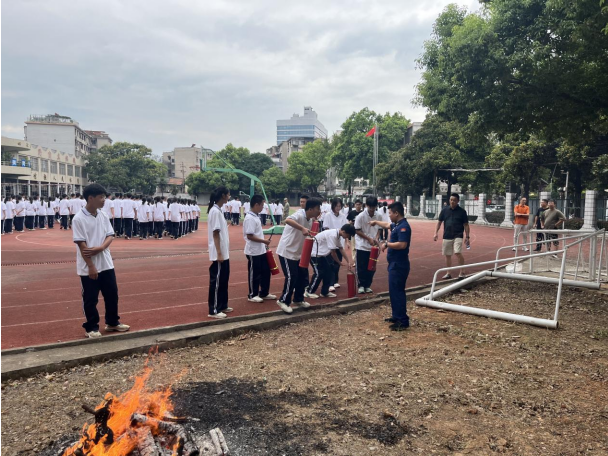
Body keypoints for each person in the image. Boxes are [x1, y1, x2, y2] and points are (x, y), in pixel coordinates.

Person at [72, 183, 130, 338]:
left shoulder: (103, 214)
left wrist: (101, 248)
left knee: (112, 294)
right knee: (90, 298)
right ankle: (91, 327)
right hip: (89, 266)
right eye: (101, 197)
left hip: (106, 263)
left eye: (104, 197)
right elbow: (81, 244)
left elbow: (110, 235)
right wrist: (90, 266)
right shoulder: (78, 219)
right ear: (91, 198)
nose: (104, 200)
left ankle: (112, 322)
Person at [370, 201, 411, 331]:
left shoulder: (404, 227)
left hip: (399, 264)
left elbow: (402, 244)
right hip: (394, 263)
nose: (389, 216)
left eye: (390, 213)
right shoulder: (397, 225)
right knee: (393, 291)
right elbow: (387, 224)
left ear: (396, 213)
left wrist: (387, 244)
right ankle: (396, 315)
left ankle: (402, 320)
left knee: (398, 291)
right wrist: (376, 222)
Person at [276, 198, 321, 313]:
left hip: (298, 253)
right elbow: (287, 220)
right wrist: (302, 228)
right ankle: (283, 300)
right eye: (317, 208)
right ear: (310, 209)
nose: (319, 211)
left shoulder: (310, 220)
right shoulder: (299, 214)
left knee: (302, 276)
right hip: (287, 251)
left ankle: (298, 299)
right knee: (292, 276)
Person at [243, 194, 277, 303]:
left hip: (260, 250)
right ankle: (252, 294)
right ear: (256, 204)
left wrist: (263, 241)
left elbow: (256, 233)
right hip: (253, 251)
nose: (263, 207)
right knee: (255, 273)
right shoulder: (249, 218)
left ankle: (264, 292)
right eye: (262, 205)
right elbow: (249, 236)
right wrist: (264, 241)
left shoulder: (255, 216)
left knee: (266, 271)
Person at [307, 224, 354, 298]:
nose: (348, 237)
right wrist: (339, 262)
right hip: (314, 254)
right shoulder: (333, 235)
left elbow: (341, 249)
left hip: (323, 254)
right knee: (319, 273)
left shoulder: (337, 235)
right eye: (348, 235)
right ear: (344, 232)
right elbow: (333, 253)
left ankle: (325, 292)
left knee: (329, 271)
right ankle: (309, 291)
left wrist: (348, 261)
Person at [207, 186, 233, 319]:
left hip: (224, 252)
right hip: (219, 253)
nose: (229, 197)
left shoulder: (218, 210)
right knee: (216, 281)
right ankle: (214, 309)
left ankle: (222, 304)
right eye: (228, 194)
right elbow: (215, 233)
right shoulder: (215, 211)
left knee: (223, 279)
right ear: (223, 195)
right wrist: (219, 253)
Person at [434, 193, 470, 280]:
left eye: (454, 200)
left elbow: (466, 225)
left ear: (458, 201)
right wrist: (435, 233)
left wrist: (467, 236)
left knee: (457, 252)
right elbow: (439, 222)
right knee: (447, 254)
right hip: (447, 235)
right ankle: (448, 273)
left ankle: (462, 271)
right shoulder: (444, 210)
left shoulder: (462, 212)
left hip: (458, 235)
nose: (452, 202)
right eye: (451, 200)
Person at [354, 196, 382, 293]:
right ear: (366, 206)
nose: (372, 209)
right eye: (370, 207)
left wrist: (377, 238)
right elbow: (357, 230)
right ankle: (361, 285)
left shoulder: (378, 216)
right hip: (362, 245)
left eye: (373, 207)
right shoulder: (360, 216)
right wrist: (368, 238)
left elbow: (379, 229)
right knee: (361, 266)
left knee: (372, 267)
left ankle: (367, 285)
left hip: (373, 246)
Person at [321, 198, 348, 290]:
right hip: (331, 241)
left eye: (339, 206)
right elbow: (326, 228)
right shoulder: (328, 215)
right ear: (333, 206)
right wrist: (332, 237)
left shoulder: (343, 216)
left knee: (338, 262)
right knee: (331, 262)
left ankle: (335, 281)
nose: (338, 208)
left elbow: (346, 229)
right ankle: (330, 283)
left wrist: (346, 241)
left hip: (340, 241)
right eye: (336, 206)